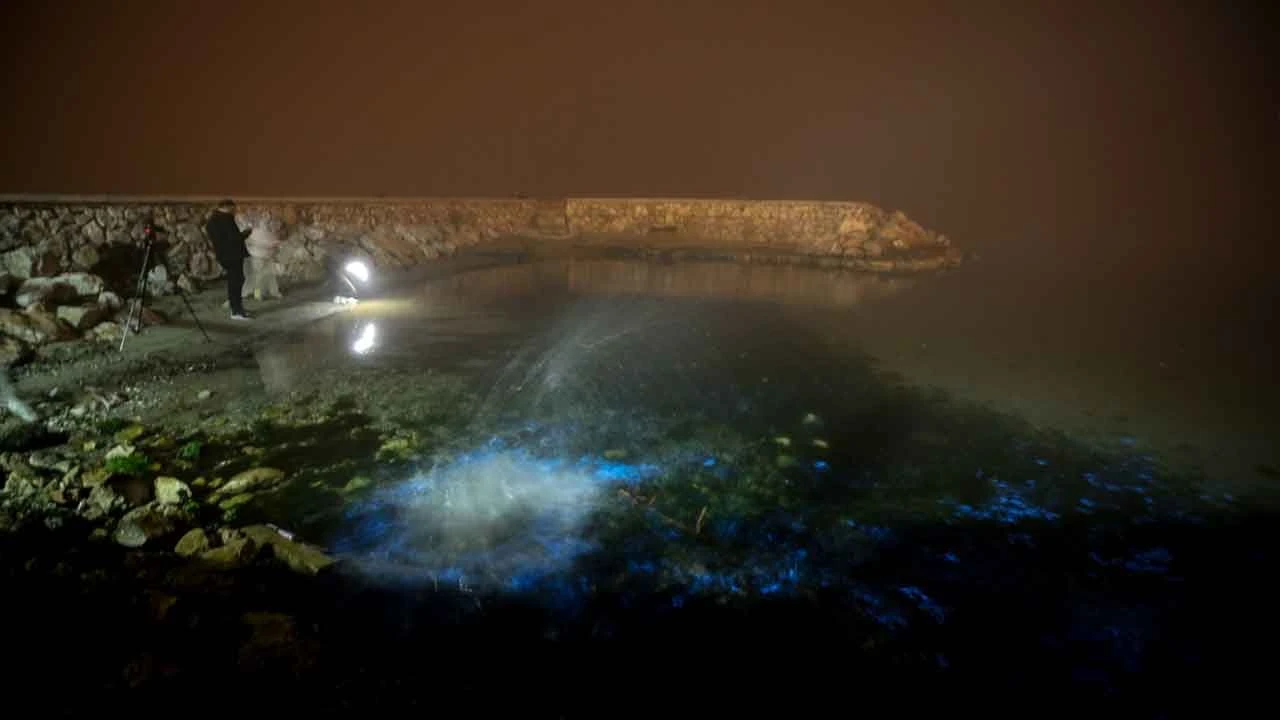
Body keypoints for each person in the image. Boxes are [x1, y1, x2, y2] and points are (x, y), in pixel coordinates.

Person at [204, 198, 253, 320]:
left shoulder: (212, 220)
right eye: (233, 208)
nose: (235, 211)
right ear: (227, 207)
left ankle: (236, 308)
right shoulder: (226, 218)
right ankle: (236, 311)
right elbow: (234, 238)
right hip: (233, 255)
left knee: (234, 281)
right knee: (236, 282)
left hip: (223, 255)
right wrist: (247, 233)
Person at [244, 215, 283, 301]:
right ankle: (257, 294)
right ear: (259, 222)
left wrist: (275, 245)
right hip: (257, 257)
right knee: (258, 277)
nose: (265, 223)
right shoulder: (253, 232)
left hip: (268, 257)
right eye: (263, 221)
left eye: (266, 221)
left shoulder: (270, 232)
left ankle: (274, 292)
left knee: (271, 275)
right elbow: (249, 243)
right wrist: (267, 245)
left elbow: (275, 244)